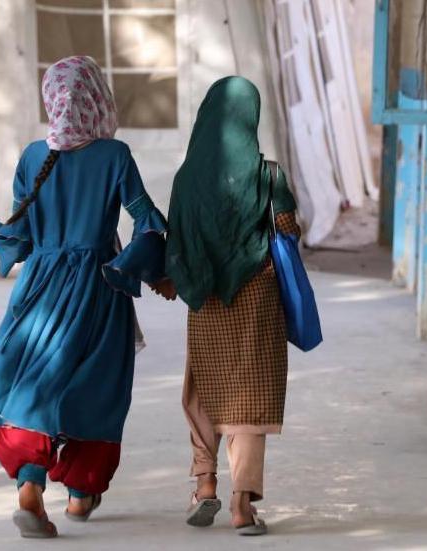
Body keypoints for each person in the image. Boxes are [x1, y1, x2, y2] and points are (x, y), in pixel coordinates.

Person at [0, 56, 172, 539]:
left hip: (38, 288)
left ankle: (29, 485)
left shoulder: (34, 156)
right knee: (96, 384)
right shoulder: (115, 155)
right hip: (99, 286)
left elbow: (22, 232)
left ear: (50, 100)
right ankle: (80, 491)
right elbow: (147, 219)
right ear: (98, 97)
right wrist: (146, 268)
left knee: (32, 380)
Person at [164, 76, 300, 536]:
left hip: (206, 299)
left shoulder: (186, 179)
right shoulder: (270, 176)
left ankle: (205, 484)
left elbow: (176, 240)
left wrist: (184, 280)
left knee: (204, 387)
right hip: (257, 297)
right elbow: (288, 228)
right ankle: (243, 504)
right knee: (250, 397)